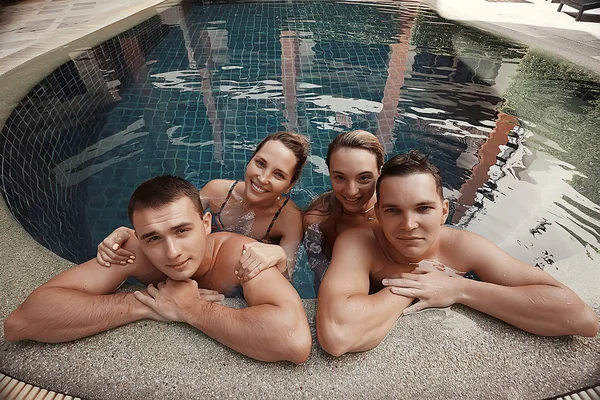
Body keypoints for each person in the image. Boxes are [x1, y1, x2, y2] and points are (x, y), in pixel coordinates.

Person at [317, 151, 599, 356]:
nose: (408, 224)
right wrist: (416, 283)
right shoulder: (358, 241)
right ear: (378, 213)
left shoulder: (463, 247)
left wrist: (458, 288)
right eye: (393, 210)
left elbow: (580, 318)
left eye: (423, 208)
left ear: (444, 211)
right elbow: (337, 335)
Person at [4, 176, 312, 364]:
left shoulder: (240, 256)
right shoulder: (136, 252)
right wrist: (147, 303)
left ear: (206, 225)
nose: (172, 253)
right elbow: (21, 322)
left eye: (182, 231)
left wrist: (193, 310)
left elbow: (294, 341)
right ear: (138, 237)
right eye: (153, 238)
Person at [97, 131, 310, 280]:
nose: (262, 178)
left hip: (234, 279)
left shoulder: (289, 220)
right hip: (190, 263)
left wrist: (280, 255)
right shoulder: (217, 191)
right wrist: (129, 233)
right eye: (260, 163)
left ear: (289, 185)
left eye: (278, 174)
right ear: (250, 159)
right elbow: (172, 221)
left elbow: (287, 276)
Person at [303, 130, 384, 291]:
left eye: (364, 178)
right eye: (340, 177)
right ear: (329, 173)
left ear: (379, 172)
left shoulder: (396, 211)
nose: (351, 191)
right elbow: (319, 269)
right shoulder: (317, 220)